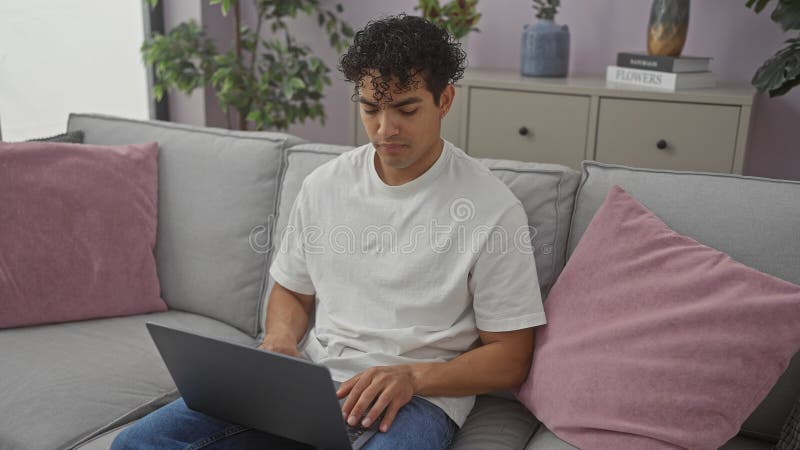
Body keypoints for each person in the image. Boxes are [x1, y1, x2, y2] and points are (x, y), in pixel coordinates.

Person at [112, 14, 546, 450]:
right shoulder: (325, 184)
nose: (385, 128)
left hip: (419, 398)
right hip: (315, 381)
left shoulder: (491, 209)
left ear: (444, 100)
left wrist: (412, 376)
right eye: (371, 109)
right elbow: (293, 291)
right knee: (136, 444)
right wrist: (280, 341)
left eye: (406, 109)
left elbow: (510, 357)